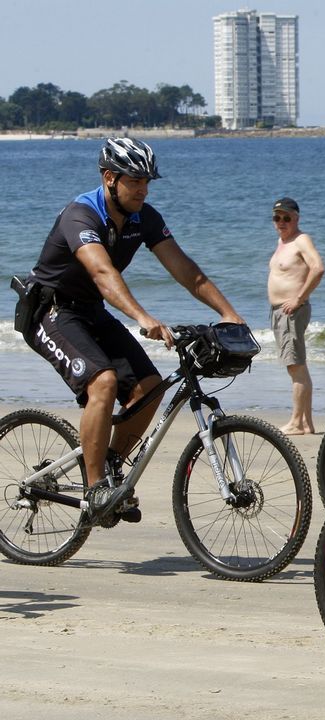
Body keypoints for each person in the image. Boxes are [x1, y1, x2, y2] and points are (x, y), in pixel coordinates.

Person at [22, 138, 245, 522]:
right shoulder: (82, 215)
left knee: (149, 387)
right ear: (110, 178)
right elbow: (103, 274)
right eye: (135, 181)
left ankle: (108, 463)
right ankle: (95, 491)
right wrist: (142, 317)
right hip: (50, 311)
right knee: (104, 383)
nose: (143, 189)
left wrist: (229, 314)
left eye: (147, 182)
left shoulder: (145, 217)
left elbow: (186, 270)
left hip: (91, 312)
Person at [267, 197, 325, 435]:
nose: (281, 222)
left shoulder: (301, 240)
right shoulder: (283, 242)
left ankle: (296, 422)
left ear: (296, 218)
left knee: (296, 366)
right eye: (277, 218)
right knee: (297, 366)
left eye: (286, 218)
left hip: (291, 311)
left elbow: (318, 267)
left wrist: (299, 299)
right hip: (281, 311)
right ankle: (306, 422)